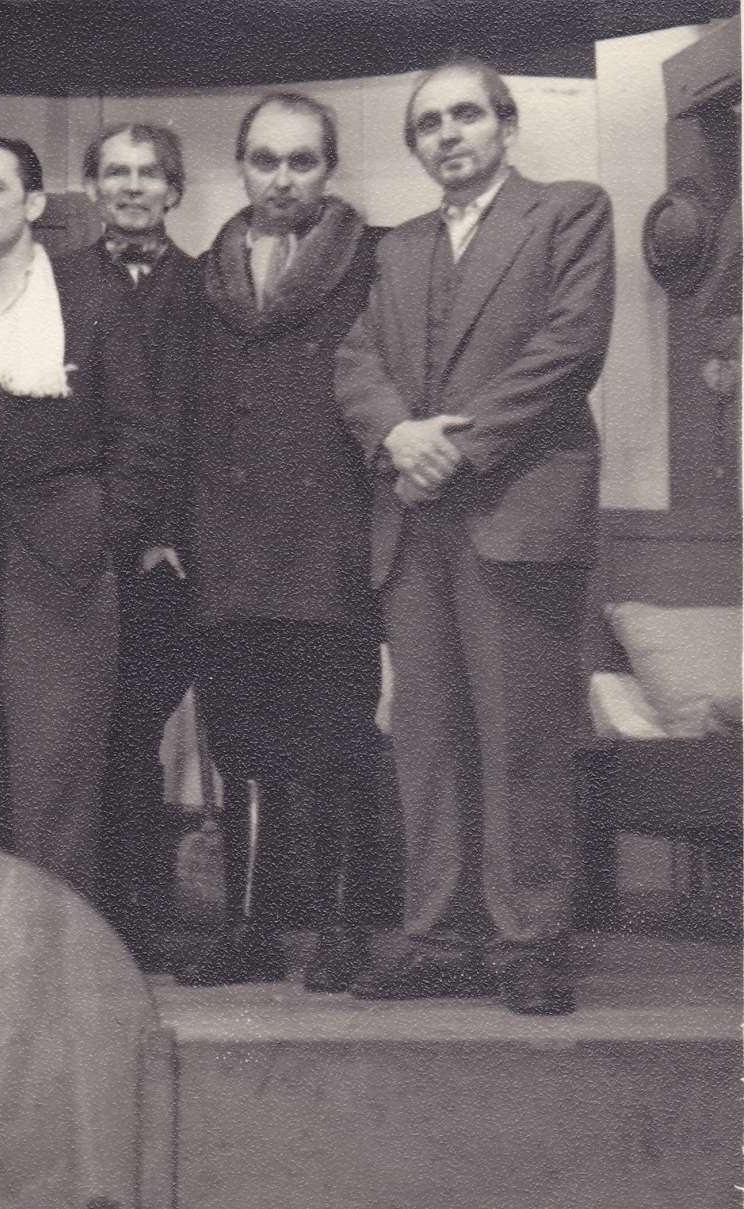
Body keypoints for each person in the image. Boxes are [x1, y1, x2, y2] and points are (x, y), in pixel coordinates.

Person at [335, 60, 614, 1015]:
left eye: (465, 115)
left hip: (519, 511)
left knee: (521, 733)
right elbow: (356, 358)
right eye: (429, 123)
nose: (448, 134)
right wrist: (395, 434)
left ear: (505, 125)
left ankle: (529, 939)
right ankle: (437, 936)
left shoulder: (569, 211)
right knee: (427, 737)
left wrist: (454, 447)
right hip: (414, 520)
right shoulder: (399, 245)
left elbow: (568, 347)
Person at [0, 136, 165, 901]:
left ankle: (52, 945)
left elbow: (139, 436)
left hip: (66, 570)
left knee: (57, 774)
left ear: (34, 203)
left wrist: (100, 529)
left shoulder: (93, 295)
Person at [170, 93, 385, 992]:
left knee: (335, 742)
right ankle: (250, 929)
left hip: (330, 543)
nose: (283, 179)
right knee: (241, 744)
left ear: (328, 169)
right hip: (227, 550)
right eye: (266, 160)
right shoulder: (204, 278)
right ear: (242, 168)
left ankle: (340, 928)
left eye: (302, 161)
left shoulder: (373, 263)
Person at [68, 121, 199, 968]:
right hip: (75, 546)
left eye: (149, 173)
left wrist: (165, 532)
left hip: (168, 555)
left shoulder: (205, 286)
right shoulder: (57, 280)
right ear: (94, 187)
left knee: (135, 734)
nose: (132, 186)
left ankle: (134, 919)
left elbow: (202, 423)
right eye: (115, 172)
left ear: (173, 190)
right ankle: (72, 911)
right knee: (75, 734)